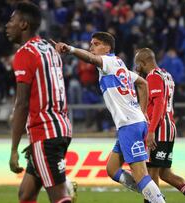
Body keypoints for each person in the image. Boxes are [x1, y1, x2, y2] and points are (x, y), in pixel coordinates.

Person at [52, 32, 166, 203]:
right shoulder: (118, 64)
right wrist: (142, 112)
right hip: (131, 123)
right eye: (91, 44)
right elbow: (143, 83)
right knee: (112, 169)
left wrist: (71, 49)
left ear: (107, 48)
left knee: (140, 173)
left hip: (130, 125)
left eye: (95, 44)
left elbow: (92, 59)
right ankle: (152, 193)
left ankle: (156, 198)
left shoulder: (108, 62)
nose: (91, 47)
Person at [6, 2, 74, 203]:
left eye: (12, 20)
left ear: (24, 25)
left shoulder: (24, 53)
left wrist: (13, 150)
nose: (7, 25)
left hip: (45, 133)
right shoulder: (48, 48)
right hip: (60, 128)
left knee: (59, 197)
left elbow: (22, 104)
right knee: (26, 194)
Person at [135, 48, 185, 203]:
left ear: (143, 63)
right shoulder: (167, 75)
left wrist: (151, 131)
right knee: (165, 173)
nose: (137, 68)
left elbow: (159, 104)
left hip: (158, 129)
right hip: (169, 127)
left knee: (151, 171)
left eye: (138, 64)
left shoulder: (153, 77)